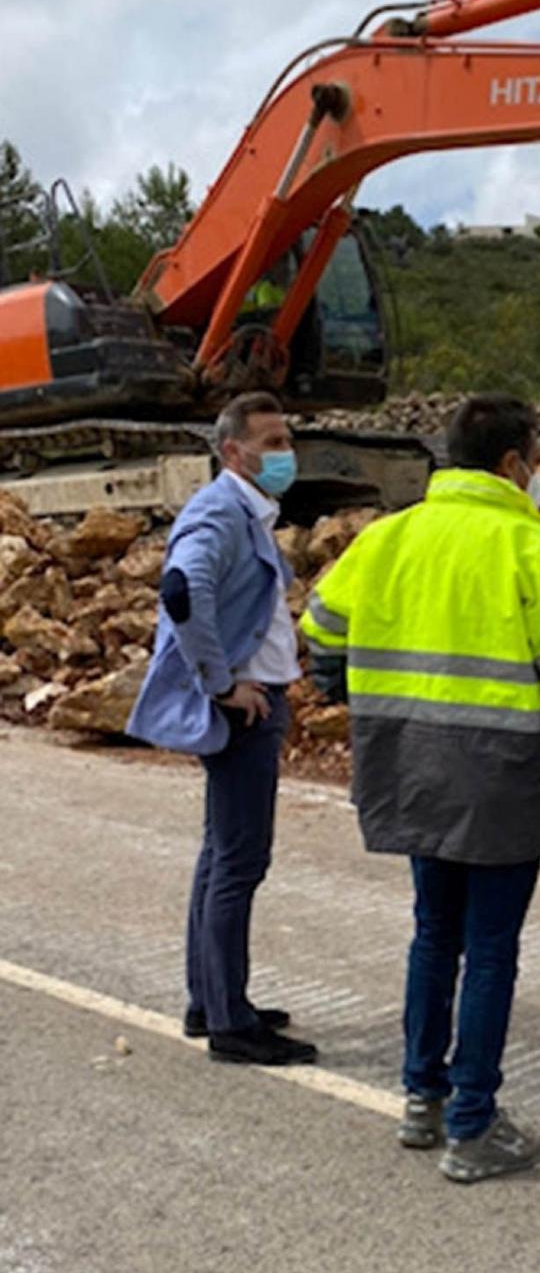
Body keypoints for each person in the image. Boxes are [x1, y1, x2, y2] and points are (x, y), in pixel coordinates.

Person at [301, 393, 540, 1182]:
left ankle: (422, 1099)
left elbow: (319, 630)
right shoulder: (533, 547)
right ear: (512, 463)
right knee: (493, 950)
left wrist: (353, 694)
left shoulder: (388, 536)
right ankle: (475, 1123)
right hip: (502, 780)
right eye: (534, 460)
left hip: (406, 768)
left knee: (434, 934)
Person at [127, 391, 318, 1066]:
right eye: (270, 443)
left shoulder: (245, 511)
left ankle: (210, 1000)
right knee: (240, 860)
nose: (284, 453)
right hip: (246, 707)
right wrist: (222, 683)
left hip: (253, 697)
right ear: (232, 452)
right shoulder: (219, 513)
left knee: (220, 854)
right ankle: (231, 1023)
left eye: (285, 439)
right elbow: (182, 591)